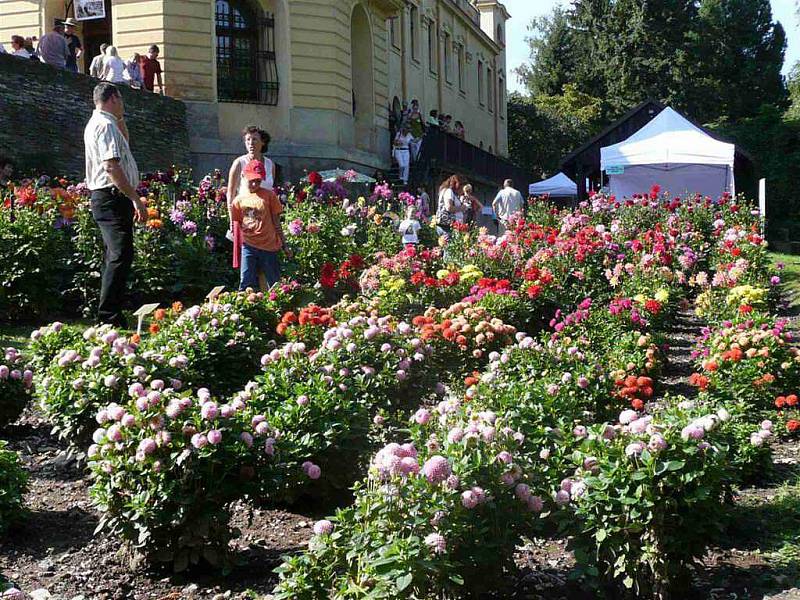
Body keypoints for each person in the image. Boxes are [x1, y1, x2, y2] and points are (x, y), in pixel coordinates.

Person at [83, 82, 147, 327]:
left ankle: (110, 312)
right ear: (112, 98)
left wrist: (122, 118)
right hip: (111, 196)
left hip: (110, 197)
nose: (123, 104)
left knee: (116, 254)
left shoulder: (105, 123)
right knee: (120, 254)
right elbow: (111, 166)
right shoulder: (104, 125)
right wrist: (135, 198)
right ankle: (108, 316)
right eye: (120, 99)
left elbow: (125, 144)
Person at [230, 159, 290, 290]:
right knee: (245, 282)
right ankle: (246, 308)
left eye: (258, 180)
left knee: (275, 284)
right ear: (243, 177)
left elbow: (276, 222)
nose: (254, 183)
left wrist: (284, 245)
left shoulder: (269, 196)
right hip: (249, 246)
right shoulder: (238, 201)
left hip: (269, 245)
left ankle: (279, 308)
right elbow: (239, 224)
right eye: (251, 180)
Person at [227, 125, 277, 272]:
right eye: (247, 139)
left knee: (267, 262)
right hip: (246, 219)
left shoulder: (270, 164)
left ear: (263, 142)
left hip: (266, 220)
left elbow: (271, 191)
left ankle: (267, 293)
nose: (251, 143)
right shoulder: (239, 163)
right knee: (247, 264)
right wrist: (232, 220)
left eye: (255, 139)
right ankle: (248, 292)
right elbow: (230, 195)